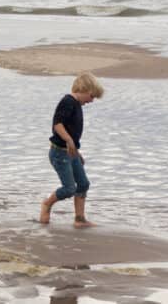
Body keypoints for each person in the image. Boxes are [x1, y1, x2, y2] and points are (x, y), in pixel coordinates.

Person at [39, 72, 105, 228]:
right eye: (91, 96)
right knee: (69, 188)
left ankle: (79, 219)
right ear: (83, 89)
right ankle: (47, 204)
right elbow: (58, 124)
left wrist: (77, 152)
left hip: (71, 152)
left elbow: (72, 131)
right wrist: (69, 141)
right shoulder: (67, 102)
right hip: (59, 152)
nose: (92, 100)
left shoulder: (76, 105)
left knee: (83, 184)